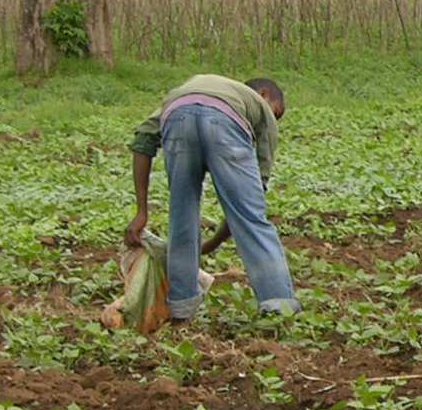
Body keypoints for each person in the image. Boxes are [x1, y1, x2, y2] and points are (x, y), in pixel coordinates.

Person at [126, 75, 301, 321]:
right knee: (252, 219)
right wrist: (216, 241)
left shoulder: (191, 90)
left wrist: (141, 211)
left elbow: (143, 139)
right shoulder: (259, 107)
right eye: (277, 112)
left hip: (178, 117)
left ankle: (181, 308)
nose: (274, 118)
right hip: (225, 123)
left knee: (182, 217)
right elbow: (249, 204)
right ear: (264, 95)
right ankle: (278, 306)